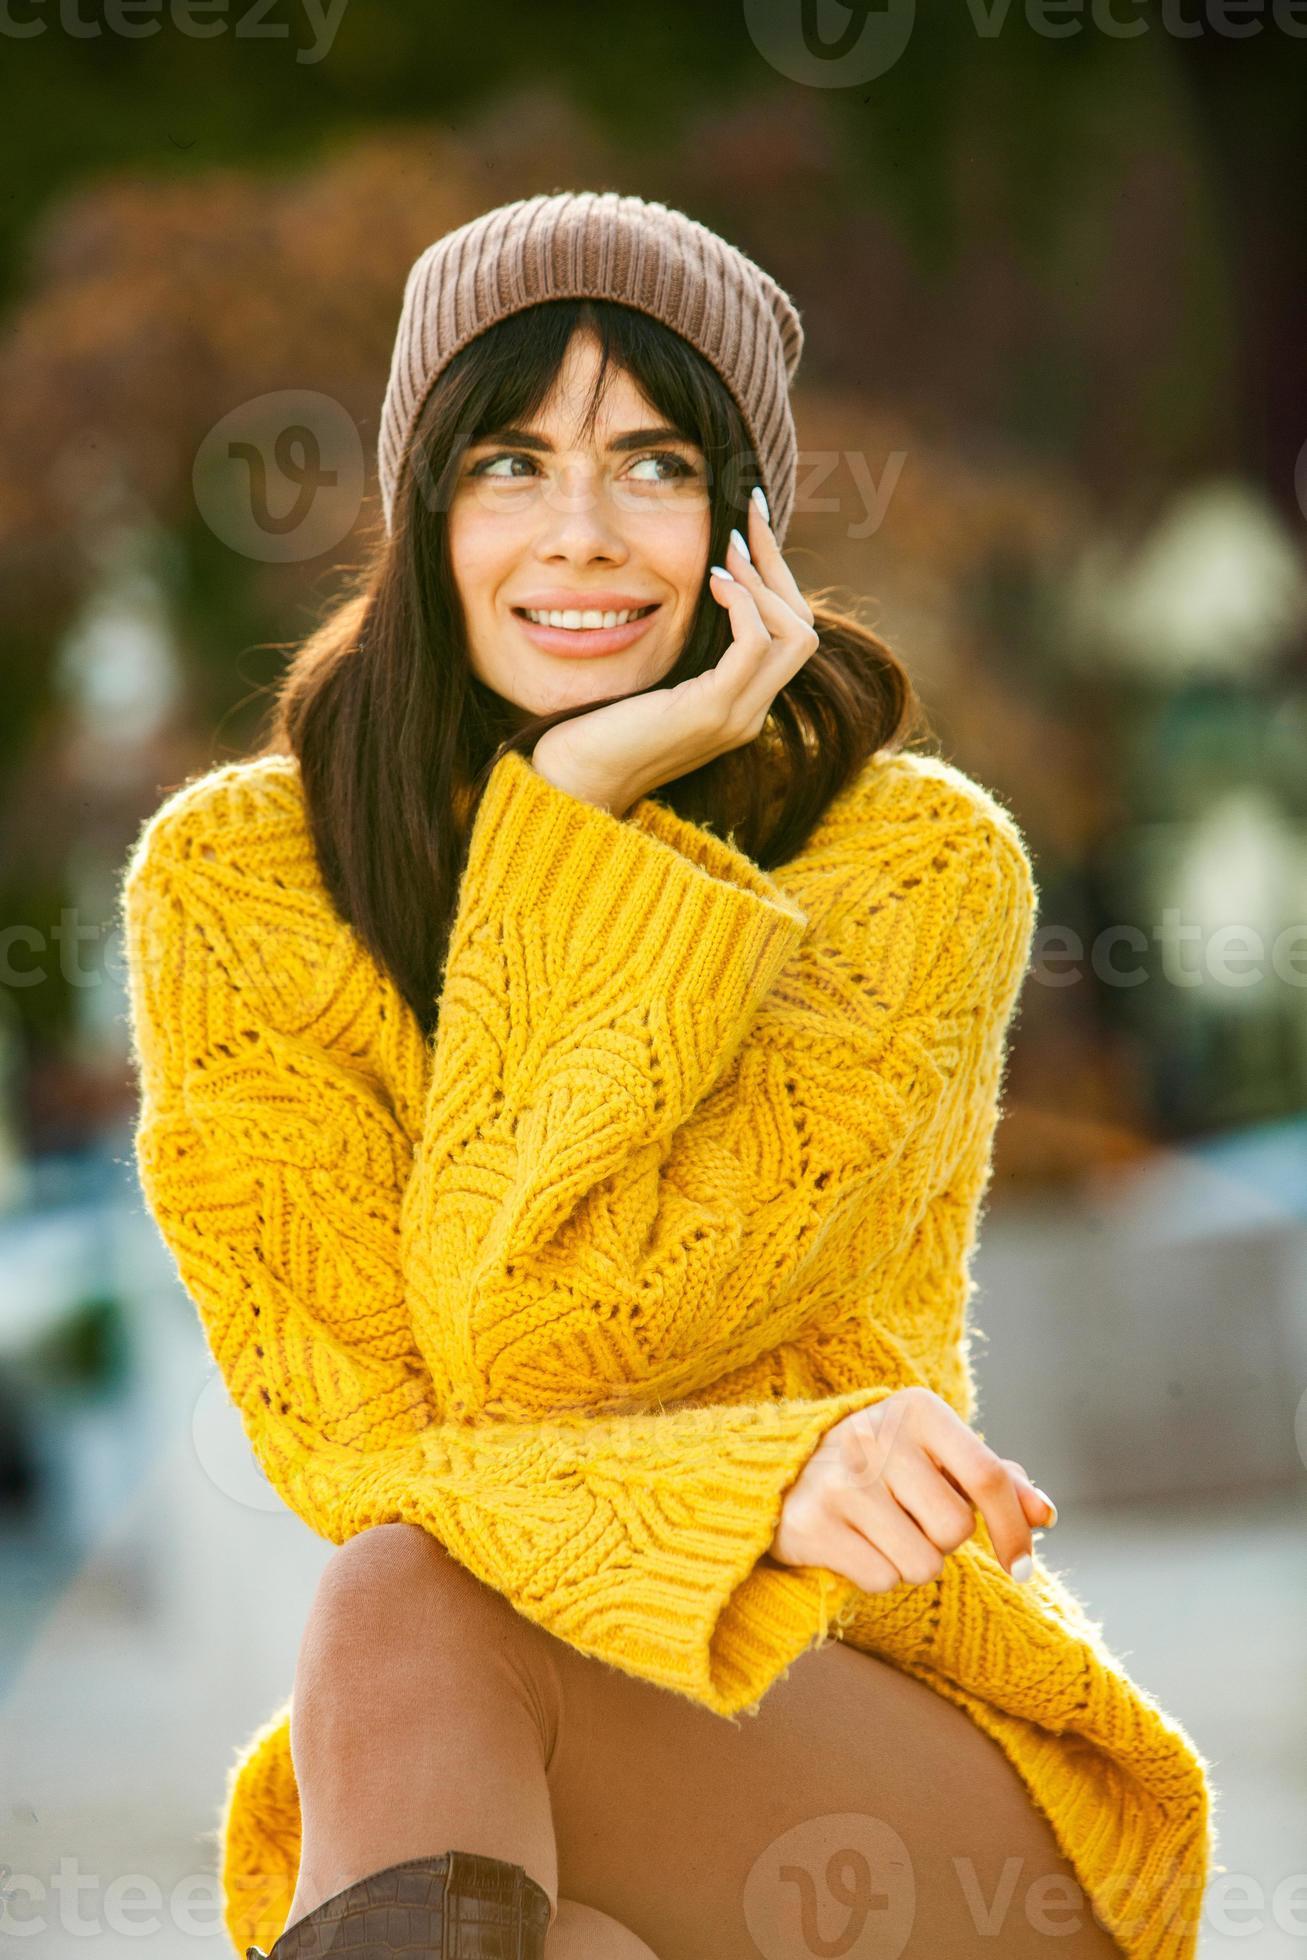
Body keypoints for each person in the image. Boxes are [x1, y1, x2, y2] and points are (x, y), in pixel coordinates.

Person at [119, 191, 1214, 1959]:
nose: (583, 537)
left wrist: (571, 827)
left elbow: (541, 1340)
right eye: (506, 463)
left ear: (744, 520)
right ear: (421, 507)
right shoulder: (239, 888)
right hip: (495, 1732)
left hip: (893, 1735)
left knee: (406, 1595)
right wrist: (767, 1473)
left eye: (652, 465)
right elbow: (362, 1445)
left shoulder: (910, 866)